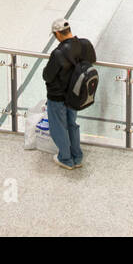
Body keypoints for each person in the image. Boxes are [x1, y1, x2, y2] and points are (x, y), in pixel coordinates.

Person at [43, 18, 96, 169]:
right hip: (76, 94)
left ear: (58, 34)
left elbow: (47, 76)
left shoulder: (58, 53)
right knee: (72, 123)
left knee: (59, 126)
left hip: (57, 96)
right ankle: (77, 157)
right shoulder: (85, 44)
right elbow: (92, 60)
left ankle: (65, 158)